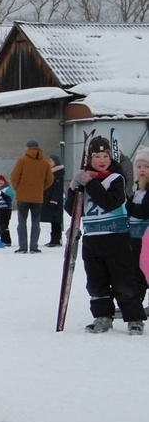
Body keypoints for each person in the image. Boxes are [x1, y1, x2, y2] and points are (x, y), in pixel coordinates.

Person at [64, 136, 145, 335]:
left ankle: (134, 318)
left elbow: (110, 202)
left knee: (123, 280)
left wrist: (90, 182)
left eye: (105, 156)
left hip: (116, 238)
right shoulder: (86, 180)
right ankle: (103, 316)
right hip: (92, 239)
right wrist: (74, 189)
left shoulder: (115, 178)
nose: (101, 160)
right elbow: (73, 211)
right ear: (89, 158)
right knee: (96, 281)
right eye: (96, 156)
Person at [9, 139, 54, 253]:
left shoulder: (22, 160)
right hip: (37, 197)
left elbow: (14, 177)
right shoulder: (44, 163)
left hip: (23, 197)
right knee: (36, 222)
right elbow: (50, 179)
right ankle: (34, 247)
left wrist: (18, 188)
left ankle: (23, 247)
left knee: (22, 222)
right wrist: (40, 188)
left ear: (28, 148)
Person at [125, 146, 149, 326]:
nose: (142, 170)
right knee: (134, 272)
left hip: (146, 239)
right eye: (139, 167)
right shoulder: (137, 190)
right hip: (135, 238)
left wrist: (129, 207)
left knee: (144, 271)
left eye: (146, 166)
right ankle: (135, 303)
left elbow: (144, 211)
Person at [42, 154, 65, 247]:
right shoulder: (52, 173)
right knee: (53, 220)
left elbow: (58, 188)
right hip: (51, 200)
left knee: (56, 220)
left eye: (51, 161)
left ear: (56, 163)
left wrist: (54, 200)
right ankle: (54, 239)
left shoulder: (57, 174)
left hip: (55, 201)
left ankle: (56, 240)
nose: (49, 162)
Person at [0, 174, 14, 247]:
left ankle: (7, 240)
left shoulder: (7, 189)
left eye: (2, 181)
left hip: (5, 210)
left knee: (4, 226)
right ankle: (2, 239)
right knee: (0, 226)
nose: (0, 182)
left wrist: (5, 196)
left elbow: (9, 200)